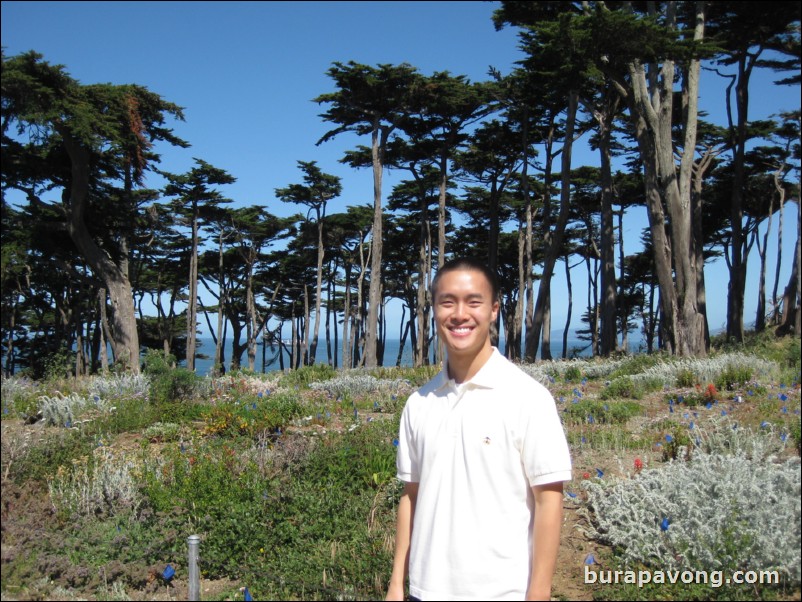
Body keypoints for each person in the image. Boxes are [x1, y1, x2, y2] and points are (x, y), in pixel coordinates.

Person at [386, 257, 572, 601]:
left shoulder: (528, 397)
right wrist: (397, 584)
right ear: (434, 310)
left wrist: (539, 594)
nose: (460, 314)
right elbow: (410, 497)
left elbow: (549, 501)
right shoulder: (419, 402)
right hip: (423, 592)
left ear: (494, 310)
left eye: (474, 302)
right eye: (447, 302)